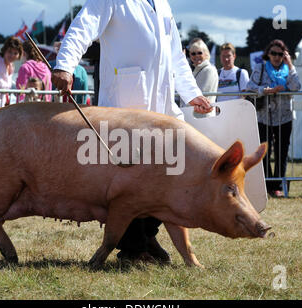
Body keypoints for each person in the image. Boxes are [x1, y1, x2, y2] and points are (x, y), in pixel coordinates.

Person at [52, 0, 212, 264]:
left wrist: (192, 93)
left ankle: (148, 237)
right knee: (127, 180)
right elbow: (83, 26)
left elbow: (175, 54)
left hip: (161, 107)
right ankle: (133, 247)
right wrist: (65, 64)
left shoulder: (162, 3)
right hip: (125, 106)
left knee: (162, 176)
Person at [246, 39, 301, 198]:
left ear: (284, 55)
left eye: (280, 54)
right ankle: (267, 184)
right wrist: (266, 90)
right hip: (264, 116)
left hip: (284, 117)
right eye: (273, 53)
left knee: (281, 152)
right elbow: (250, 86)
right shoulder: (260, 67)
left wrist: (290, 65)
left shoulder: (288, 69)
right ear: (268, 54)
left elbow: (296, 87)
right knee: (264, 152)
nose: (276, 57)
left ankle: (277, 185)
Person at [180, 39, 218, 105]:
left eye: (200, 53)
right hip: (191, 111)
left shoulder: (209, 70)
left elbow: (201, 95)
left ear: (206, 53)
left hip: (203, 113)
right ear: (190, 56)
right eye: (193, 53)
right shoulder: (196, 69)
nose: (196, 56)